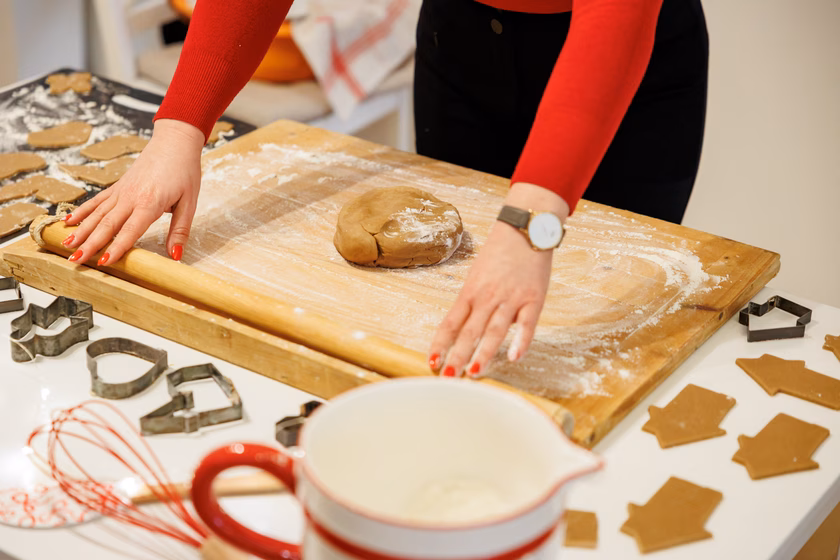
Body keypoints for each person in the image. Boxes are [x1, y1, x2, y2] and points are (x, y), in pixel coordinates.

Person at [62, 0, 708, 379]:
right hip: (463, 35)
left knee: (598, 322)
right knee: (448, 295)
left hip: (618, 62)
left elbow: (617, 17)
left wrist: (531, 222)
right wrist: (180, 129)